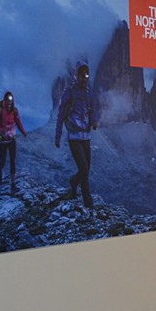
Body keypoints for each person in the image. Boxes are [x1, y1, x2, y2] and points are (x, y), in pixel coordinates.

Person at [54, 61, 98, 209]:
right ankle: (88, 202)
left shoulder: (88, 92)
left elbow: (91, 110)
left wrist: (93, 122)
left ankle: (73, 182)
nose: (84, 77)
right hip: (74, 138)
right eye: (82, 74)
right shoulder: (69, 91)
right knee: (84, 170)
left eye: (86, 74)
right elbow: (60, 115)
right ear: (76, 75)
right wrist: (58, 136)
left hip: (86, 137)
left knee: (86, 169)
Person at [0, 91, 28, 194]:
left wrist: (23, 132)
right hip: (2, 139)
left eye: (11, 101)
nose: (9, 103)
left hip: (11, 138)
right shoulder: (0, 110)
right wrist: (0, 129)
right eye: (7, 101)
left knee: (13, 160)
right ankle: (0, 173)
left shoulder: (14, 111)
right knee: (2, 159)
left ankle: (13, 184)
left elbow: (18, 122)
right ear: (4, 100)